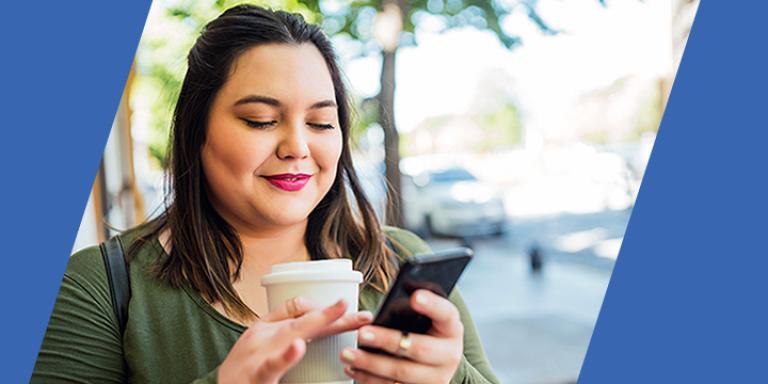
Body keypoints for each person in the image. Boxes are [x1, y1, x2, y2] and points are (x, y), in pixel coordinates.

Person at [32, 5, 499, 384]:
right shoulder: (102, 287)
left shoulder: (396, 260)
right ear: (198, 131)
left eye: (320, 123)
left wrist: (450, 377)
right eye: (260, 120)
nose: (298, 146)